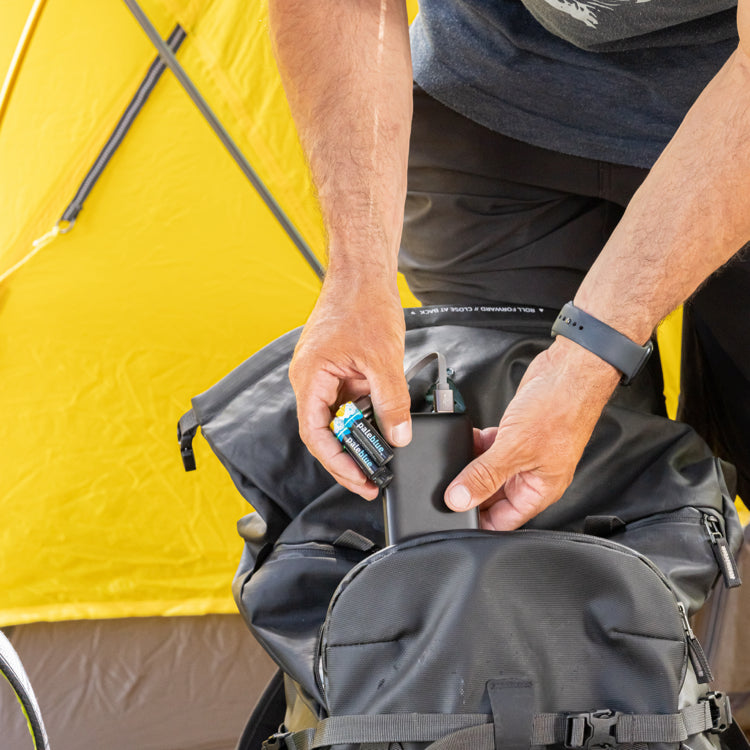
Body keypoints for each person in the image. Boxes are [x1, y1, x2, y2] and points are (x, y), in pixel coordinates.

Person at [268, 0, 750, 531]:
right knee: (531, 502)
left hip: (733, 117)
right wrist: (356, 275)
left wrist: (583, 362)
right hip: (490, 105)